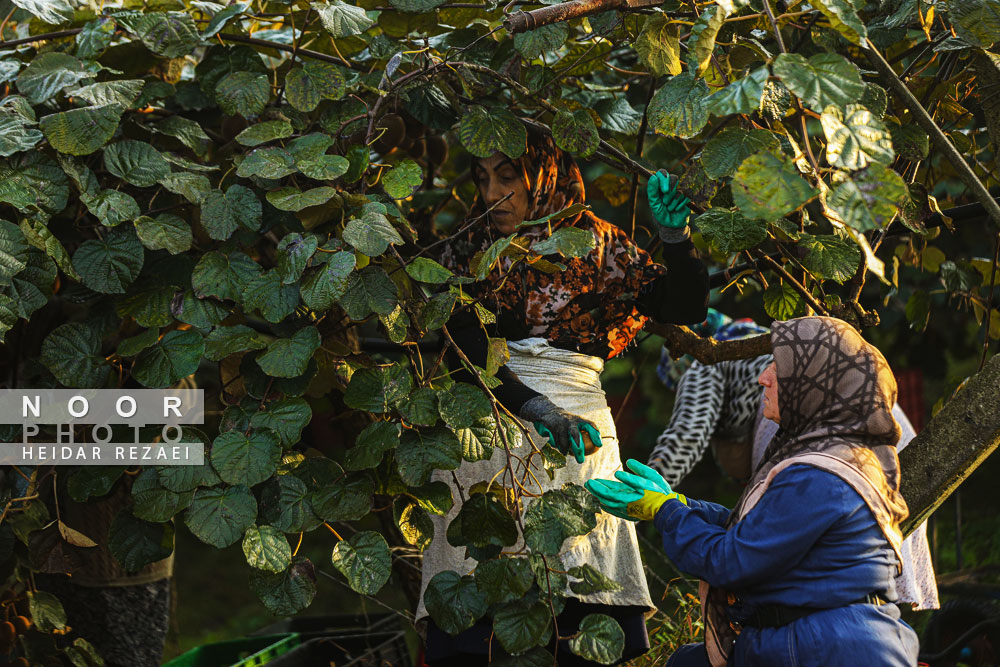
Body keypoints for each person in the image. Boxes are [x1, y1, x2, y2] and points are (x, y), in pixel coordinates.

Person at [416, 132, 710, 665]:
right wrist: (539, 409)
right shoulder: (467, 247)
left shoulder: (599, 245)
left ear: (544, 176)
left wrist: (676, 236)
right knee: (479, 588)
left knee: (579, 581)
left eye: (509, 176)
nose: (492, 193)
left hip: (581, 438)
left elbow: (683, 304)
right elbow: (466, 350)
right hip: (487, 430)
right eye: (483, 179)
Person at [587, 316, 921, 666]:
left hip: (829, 647)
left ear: (813, 383)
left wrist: (666, 511)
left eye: (778, 368)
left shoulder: (820, 474)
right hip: (820, 638)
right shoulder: (825, 455)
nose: (763, 377)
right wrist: (682, 504)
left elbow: (732, 561)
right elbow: (767, 527)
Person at [647, 313, 939, 611]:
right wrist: (680, 503)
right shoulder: (785, 346)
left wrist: (652, 489)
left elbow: (688, 434)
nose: (764, 377)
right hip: (883, 433)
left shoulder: (704, 364)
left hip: (812, 430)